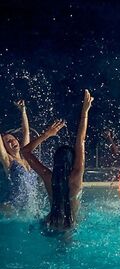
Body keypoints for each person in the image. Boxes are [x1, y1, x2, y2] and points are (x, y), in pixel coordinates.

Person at [21, 89, 93, 231]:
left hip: (49, 222)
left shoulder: (49, 177)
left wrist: (46, 134)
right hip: (69, 225)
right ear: (72, 162)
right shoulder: (76, 175)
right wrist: (85, 111)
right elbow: (81, 140)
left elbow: (25, 151)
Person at [0, 100, 38, 213]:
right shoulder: (8, 160)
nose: (12, 142)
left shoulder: (25, 155)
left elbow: (26, 132)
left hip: (28, 208)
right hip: (13, 208)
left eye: (13, 139)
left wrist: (23, 111)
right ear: (5, 148)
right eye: (8, 142)